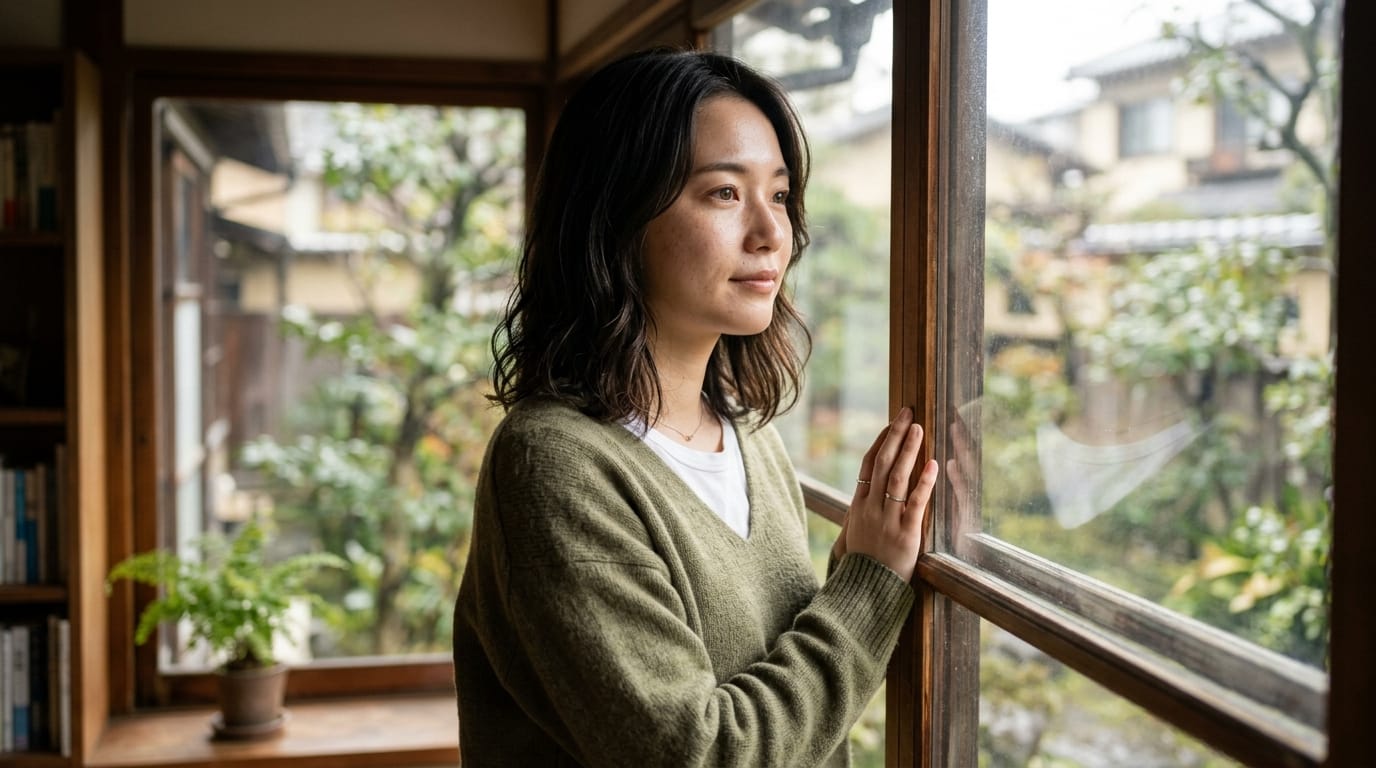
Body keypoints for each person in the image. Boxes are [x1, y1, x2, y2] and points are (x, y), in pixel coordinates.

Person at [452, 47, 939, 767]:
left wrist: (854, 568)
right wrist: (865, 587)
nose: (773, 233)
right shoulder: (554, 463)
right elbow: (700, 753)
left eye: (777, 195)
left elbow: (785, 690)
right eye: (723, 193)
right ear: (617, 212)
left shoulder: (748, 435)